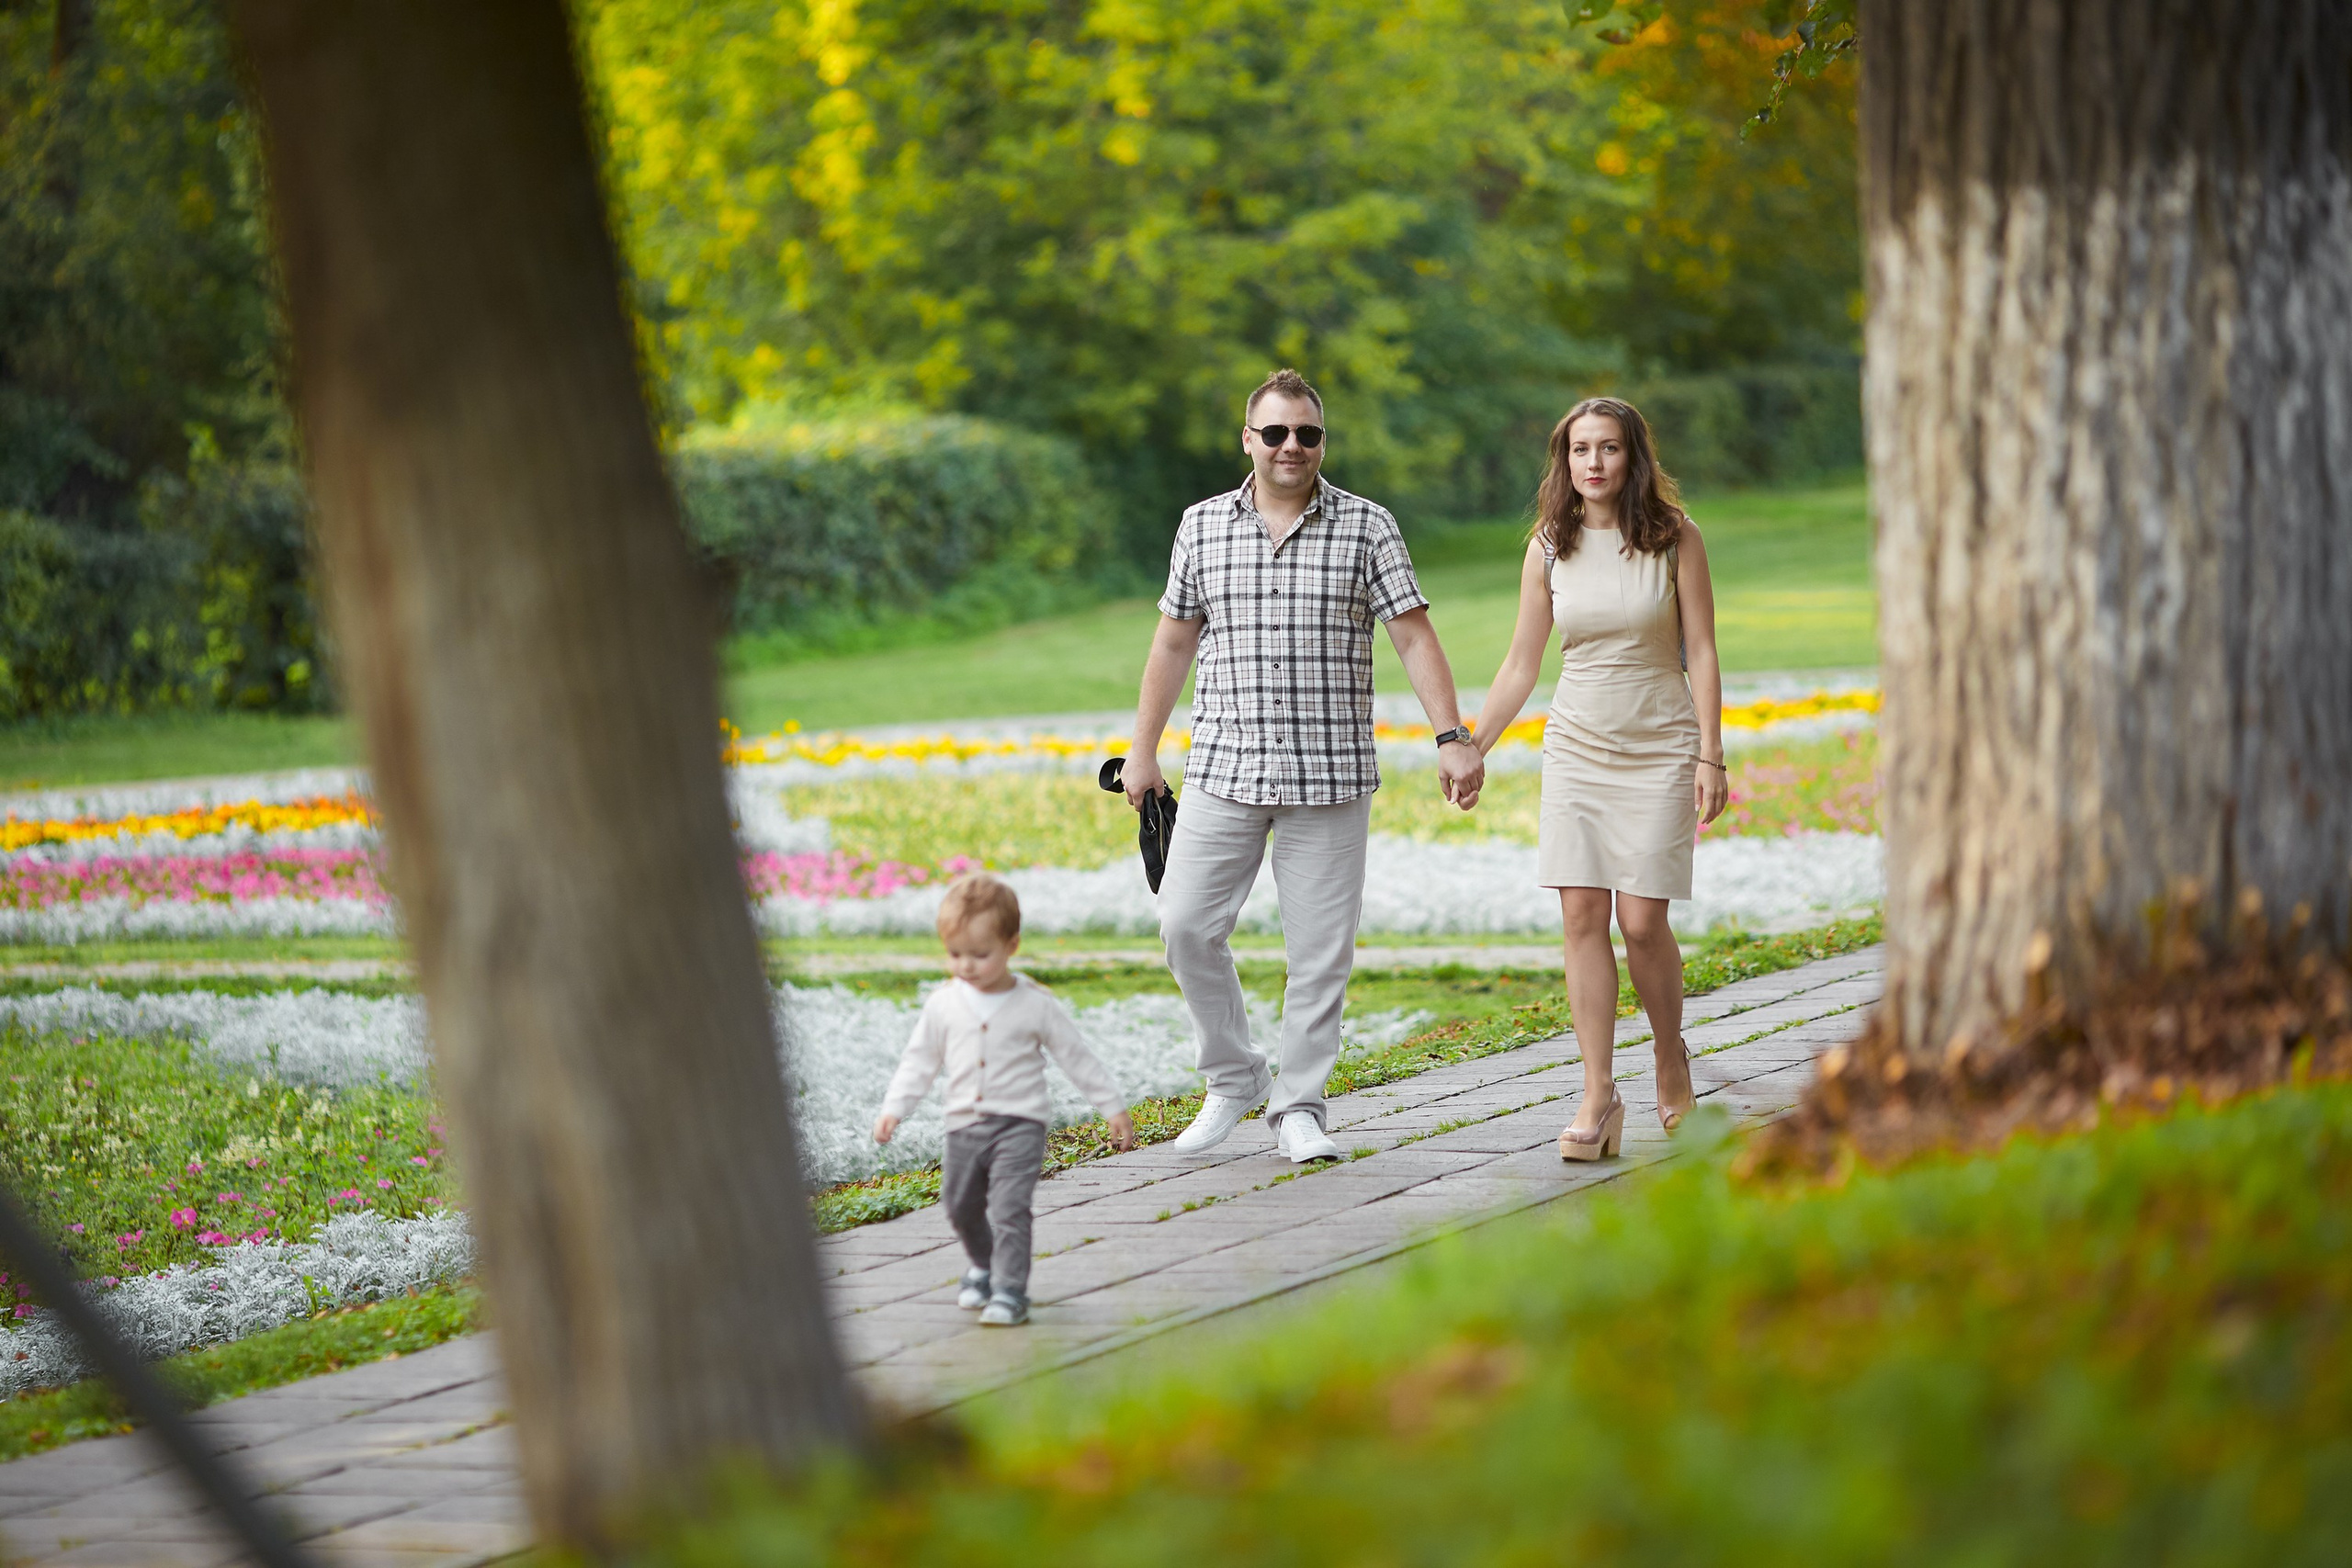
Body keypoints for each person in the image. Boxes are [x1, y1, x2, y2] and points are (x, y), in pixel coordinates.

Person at [1124, 367, 1484, 1165]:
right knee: (1184, 925)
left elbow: (1414, 634)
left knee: (1319, 951)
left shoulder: (1367, 527)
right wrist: (1144, 750)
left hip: (1328, 770)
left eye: (1308, 433)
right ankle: (1234, 1075)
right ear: (1248, 440)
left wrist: (1451, 733)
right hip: (1224, 764)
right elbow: (1173, 640)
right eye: (1277, 432)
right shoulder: (1202, 526)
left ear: (1322, 441)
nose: (1293, 447)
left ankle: (1300, 1106)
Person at [1468, 397, 1727, 1161]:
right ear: (1565, 460)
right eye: (1580, 449)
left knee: (1642, 921)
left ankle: (1669, 1056)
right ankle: (1597, 1091)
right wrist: (1474, 741)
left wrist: (1712, 752)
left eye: (1608, 448)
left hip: (1660, 744)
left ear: (1632, 456)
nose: (1594, 463)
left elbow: (1703, 651)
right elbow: (1522, 662)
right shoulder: (1549, 545)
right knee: (1581, 914)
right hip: (1578, 745)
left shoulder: (1677, 539)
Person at [873, 873, 1136, 1326]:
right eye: (955, 955)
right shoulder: (943, 1005)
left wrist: (1111, 1106)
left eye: (980, 954)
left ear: (1011, 946)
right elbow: (919, 1062)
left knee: (1010, 1206)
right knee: (959, 1205)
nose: (966, 966)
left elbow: (1077, 1057)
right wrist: (895, 1108)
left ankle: (1010, 1289)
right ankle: (984, 1264)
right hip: (963, 1126)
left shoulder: (1035, 1004)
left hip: (1020, 1124)